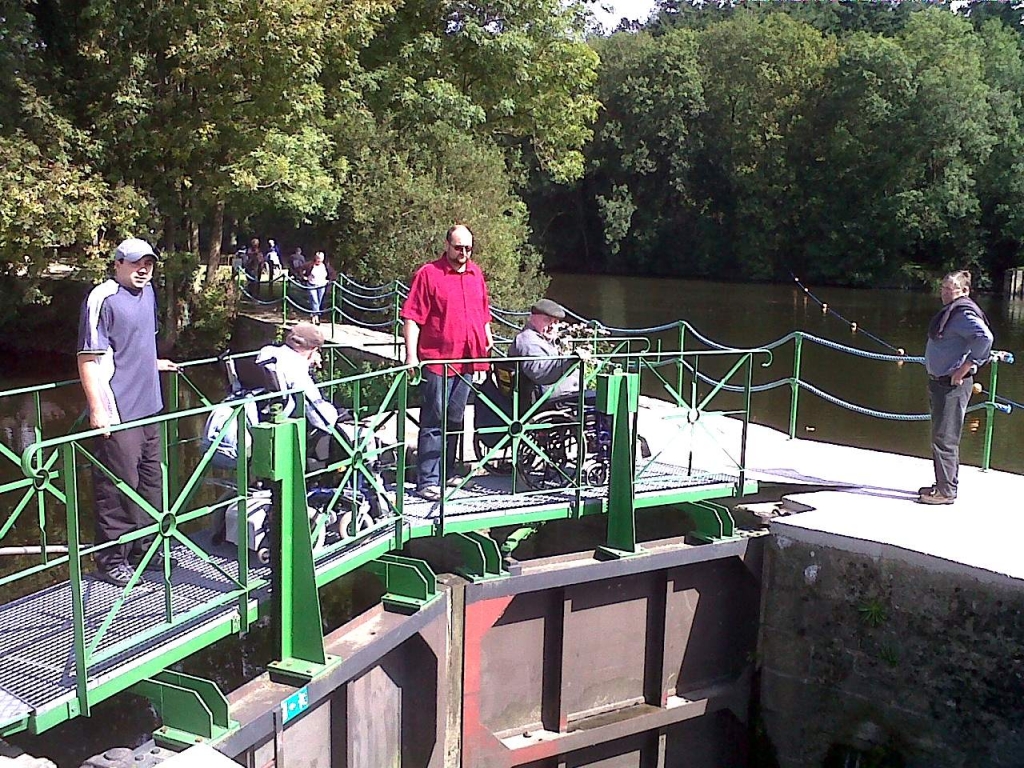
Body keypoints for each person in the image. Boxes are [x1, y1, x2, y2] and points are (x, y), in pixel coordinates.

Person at [77, 238, 179, 586]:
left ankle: (146, 550)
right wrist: (97, 409)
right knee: (118, 487)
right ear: (118, 263)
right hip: (118, 411)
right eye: (136, 263)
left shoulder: (148, 294)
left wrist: (153, 363)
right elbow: (89, 358)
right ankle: (111, 558)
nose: (143, 270)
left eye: (148, 263)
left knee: (151, 484)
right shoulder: (102, 298)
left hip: (150, 407)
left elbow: (137, 341)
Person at [401, 225, 493, 500]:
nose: (463, 253)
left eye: (467, 248)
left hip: (468, 359)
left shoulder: (476, 273)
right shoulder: (429, 274)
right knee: (433, 419)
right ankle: (427, 479)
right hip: (437, 360)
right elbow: (412, 317)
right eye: (458, 247)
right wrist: (411, 356)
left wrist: (487, 340)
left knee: (456, 417)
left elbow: (484, 311)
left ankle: (449, 471)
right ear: (447, 245)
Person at [919, 270, 993, 505]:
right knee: (941, 436)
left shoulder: (963, 314)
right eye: (943, 288)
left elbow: (985, 338)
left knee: (945, 438)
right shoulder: (953, 312)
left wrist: (965, 367)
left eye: (950, 289)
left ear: (964, 291)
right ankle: (942, 483)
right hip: (939, 383)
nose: (944, 292)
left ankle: (946, 492)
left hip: (952, 385)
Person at [255, 322, 345, 461]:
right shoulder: (297, 372)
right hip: (290, 426)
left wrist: (307, 362)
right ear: (314, 348)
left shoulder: (267, 352)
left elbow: (286, 363)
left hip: (261, 413)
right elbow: (321, 420)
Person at [507, 299, 590, 401]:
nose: (552, 327)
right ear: (532, 319)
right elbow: (540, 372)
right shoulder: (529, 341)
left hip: (550, 393)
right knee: (599, 400)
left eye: (555, 322)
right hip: (548, 398)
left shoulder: (537, 338)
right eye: (547, 321)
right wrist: (571, 360)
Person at [301, 251, 336, 325]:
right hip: (312, 284)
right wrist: (304, 277)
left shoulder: (325, 266)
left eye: (320, 258)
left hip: (322, 285)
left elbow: (333, 274)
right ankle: (316, 317)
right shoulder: (310, 265)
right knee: (315, 300)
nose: (319, 260)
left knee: (319, 301)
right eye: (318, 258)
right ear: (315, 258)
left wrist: (328, 280)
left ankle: (313, 315)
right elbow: (300, 269)